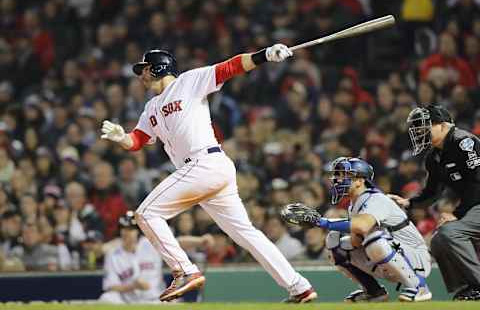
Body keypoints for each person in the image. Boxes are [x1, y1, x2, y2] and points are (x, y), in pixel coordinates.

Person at [100, 46, 316, 302]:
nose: (141, 75)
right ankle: (299, 287)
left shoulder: (188, 81)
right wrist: (121, 137)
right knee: (246, 233)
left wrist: (265, 55)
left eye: (144, 69)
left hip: (206, 162)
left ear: (158, 67)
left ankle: (185, 271)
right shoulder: (150, 107)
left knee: (147, 214)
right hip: (203, 171)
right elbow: (137, 141)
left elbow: (230, 67)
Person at [282, 157, 432, 302]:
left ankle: (419, 287)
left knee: (373, 239)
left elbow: (363, 226)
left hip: (415, 258)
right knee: (335, 242)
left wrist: (323, 222)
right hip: (391, 257)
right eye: (338, 175)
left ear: (360, 181)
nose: (338, 180)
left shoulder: (375, 198)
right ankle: (374, 292)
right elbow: (355, 241)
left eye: (344, 175)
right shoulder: (354, 205)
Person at [389, 105, 480, 301]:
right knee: (439, 239)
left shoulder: (464, 142)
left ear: (442, 125)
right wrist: (409, 203)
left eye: (424, 127)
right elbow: (432, 193)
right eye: (417, 129)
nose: (420, 133)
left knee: (450, 232)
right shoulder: (434, 157)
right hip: (474, 205)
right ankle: (468, 288)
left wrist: (458, 213)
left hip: (476, 203)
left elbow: (478, 179)